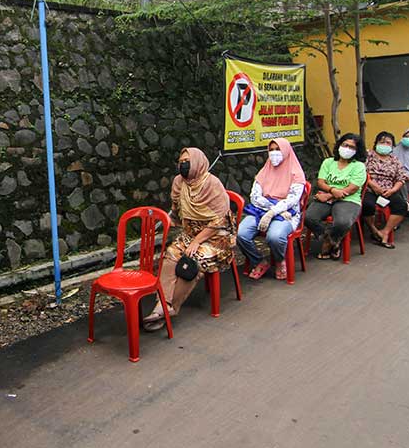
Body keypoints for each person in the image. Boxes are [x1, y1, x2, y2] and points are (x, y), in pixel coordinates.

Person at [143, 147, 236, 332]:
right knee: (171, 255)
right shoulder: (179, 182)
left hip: (217, 237)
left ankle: (172, 308)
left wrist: (197, 241)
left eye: (187, 161)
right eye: (181, 161)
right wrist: (174, 222)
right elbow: (176, 208)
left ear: (198, 162)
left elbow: (220, 220)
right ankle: (163, 304)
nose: (183, 165)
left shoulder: (212, 184)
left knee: (192, 261)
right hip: (190, 233)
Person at [236, 138, 306, 280]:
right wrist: (271, 210)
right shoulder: (265, 170)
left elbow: (292, 199)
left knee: (275, 236)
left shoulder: (296, 173)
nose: (274, 153)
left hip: (288, 213)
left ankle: (280, 261)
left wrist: (273, 212)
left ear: (286, 151)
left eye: (278, 149)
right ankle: (259, 261)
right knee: (241, 234)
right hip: (261, 210)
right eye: (271, 150)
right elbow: (255, 196)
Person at [305, 133, 367, 260]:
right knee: (308, 217)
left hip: (348, 199)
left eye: (352, 147)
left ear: (357, 151)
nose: (347, 149)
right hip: (328, 196)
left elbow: (352, 188)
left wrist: (329, 196)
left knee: (342, 222)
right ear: (339, 145)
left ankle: (329, 243)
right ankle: (330, 238)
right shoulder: (328, 162)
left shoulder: (359, 166)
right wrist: (332, 191)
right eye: (345, 145)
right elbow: (321, 182)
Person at [362, 131, 406, 249]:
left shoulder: (394, 160)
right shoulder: (368, 156)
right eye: (382, 142)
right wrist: (373, 185)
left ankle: (385, 232)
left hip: (388, 190)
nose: (385, 144)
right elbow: (361, 172)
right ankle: (373, 229)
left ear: (392, 146)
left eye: (388, 143)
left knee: (401, 206)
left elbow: (401, 178)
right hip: (370, 188)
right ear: (375, 143)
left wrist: (393, 190)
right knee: (367, 205)